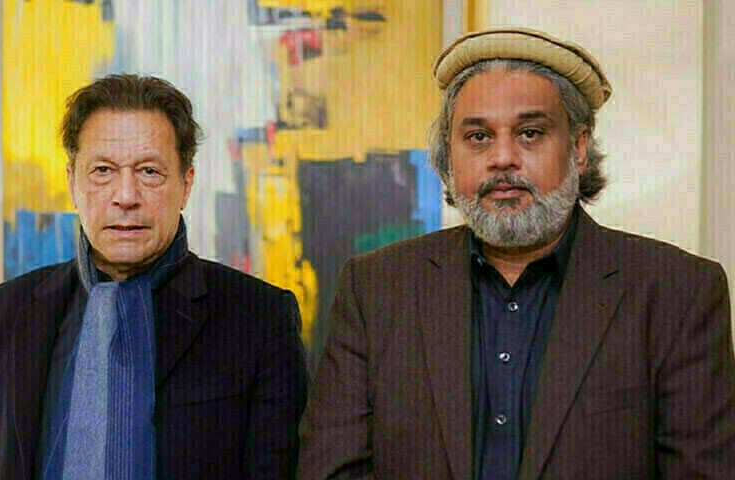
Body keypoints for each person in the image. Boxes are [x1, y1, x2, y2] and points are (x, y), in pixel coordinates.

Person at [298, 28, 735, 479]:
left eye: (530, 133)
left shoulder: (678, 293)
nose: (502, 157)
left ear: (579, 148)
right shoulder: (376, 289)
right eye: (478, 137)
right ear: (449, 158)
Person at [0, 74, 308, 480]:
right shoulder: (7, 312)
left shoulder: (259, 318)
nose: (126, 196)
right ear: (72, 182)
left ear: (186, 184)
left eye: (149, 171)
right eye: (103, 170)